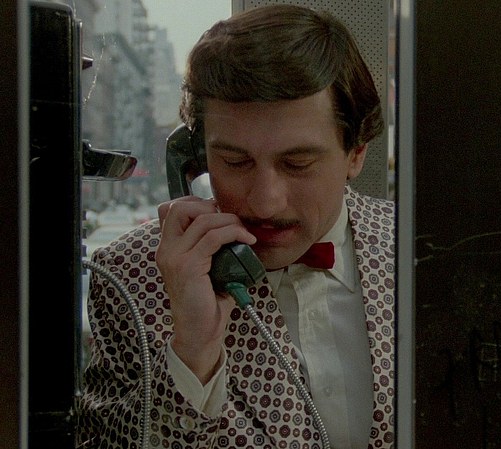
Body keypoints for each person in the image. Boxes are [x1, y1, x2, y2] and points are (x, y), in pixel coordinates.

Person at [77, 5, 395, 448]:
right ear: (196, 155)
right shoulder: (130, 279)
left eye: (298, 163)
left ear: (356, 152)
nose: (265, 201)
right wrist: (193, 354)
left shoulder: (410, 251)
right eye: (234, 161)